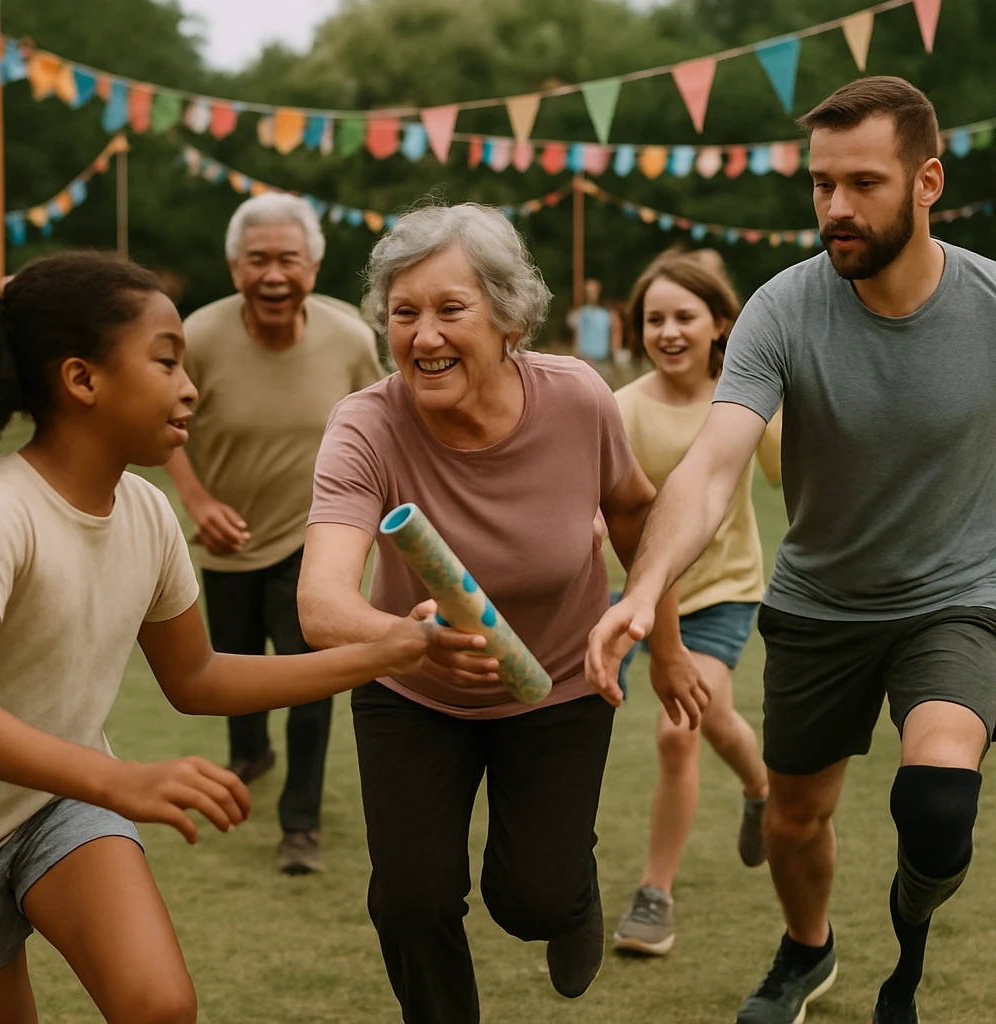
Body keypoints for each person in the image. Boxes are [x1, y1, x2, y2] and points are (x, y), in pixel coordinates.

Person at [586, 76, 996, 1024]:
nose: (835, 209)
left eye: (863, 183)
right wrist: (644, 592)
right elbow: (712, 466)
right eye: (821, 185)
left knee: (937, 806)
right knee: (793, 818)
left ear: (927, 180)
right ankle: (807, 951)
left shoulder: (985, 305)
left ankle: (912, 921)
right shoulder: (781, 308)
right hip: (820, 601)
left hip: (956, 599)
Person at [0, 252, 438, 1024]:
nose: (190, 387)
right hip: (42, 801)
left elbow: (199, 679)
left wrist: (383, 653)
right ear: (83, 380)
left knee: (159, 1007)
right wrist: (119, 780)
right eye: (165, 362)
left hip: (58, 808)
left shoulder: (150, 516)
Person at [298, 203, 706, 1024]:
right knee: (410, 900)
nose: (424, 336)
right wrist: (406, 640)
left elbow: (633, 514)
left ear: (510, 318)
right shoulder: (366, 425)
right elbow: (320, 602)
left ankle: (571, 893)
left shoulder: (578, 399)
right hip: (412, 692)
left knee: (533, 901)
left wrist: (662, 639)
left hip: (557, 684)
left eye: (451, 309)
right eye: (403, 313)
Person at [165, 192, 383, 875]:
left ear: (313, 267)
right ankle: (251, 751)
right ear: (235, 268)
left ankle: (300, 824)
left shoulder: (349, 338)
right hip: (228, 543)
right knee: (234, 668)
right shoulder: (195, 336)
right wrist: (196, 500)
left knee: (310, 680)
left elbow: (383, 419)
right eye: (257, 260)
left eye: (289, 258)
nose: (273, 274)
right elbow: (165, 421)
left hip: (316, 541)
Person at [610, 251, 781, 957]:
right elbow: (604, 510)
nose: (669, 331)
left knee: (682, 729)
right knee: (699, 724)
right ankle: (761, 783)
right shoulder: (621, 409)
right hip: (640, 592)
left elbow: (792, 481)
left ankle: (655, 895)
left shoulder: (745, 405)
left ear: (721, 325)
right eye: (655, 318)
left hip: (722, 594)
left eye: (685, 316)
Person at [567, 278, 622, 364]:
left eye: (593, 291)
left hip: (602, 357)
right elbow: (575, 331)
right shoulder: (580, 313)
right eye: (589, 291)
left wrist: (616, 351)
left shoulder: (606, 314)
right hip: (584, 357)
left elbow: (616, 332)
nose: (591, 294)